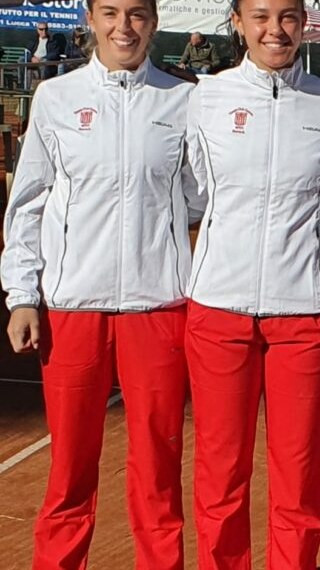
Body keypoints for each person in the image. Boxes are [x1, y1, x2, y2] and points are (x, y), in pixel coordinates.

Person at [1, 1, 200, 568]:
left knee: (159, 474)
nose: (124, 27)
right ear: (90, 19)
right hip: (72, 310)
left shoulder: (184, 100)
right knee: (68, 471)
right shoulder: (56, 98)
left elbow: (200, 194)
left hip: (159, 306)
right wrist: (22, 295)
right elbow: (28, 203)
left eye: (137, 14)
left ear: (154, 21)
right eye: (110, 12)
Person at [182, 0, 320, 567]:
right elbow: (196, 193)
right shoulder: (205, 98)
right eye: (260, 16)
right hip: (219, 309)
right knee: (221, 471)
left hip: (304, 312)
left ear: (304, 23)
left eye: (287, 16)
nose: (274, 30)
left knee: (299, 474)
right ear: (236, 21)